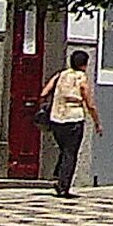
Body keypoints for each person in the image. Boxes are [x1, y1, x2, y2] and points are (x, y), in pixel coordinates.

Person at [39, 50, 99, 198]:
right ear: (84, 65)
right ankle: (63, 186)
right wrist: (97, 122)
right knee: (70, 153)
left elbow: (44, 93)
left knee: (64, 150)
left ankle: (59, 176)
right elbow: (89, 103)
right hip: (74, 119)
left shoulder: (60, 75)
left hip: (56, 118)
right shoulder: (81, 78)